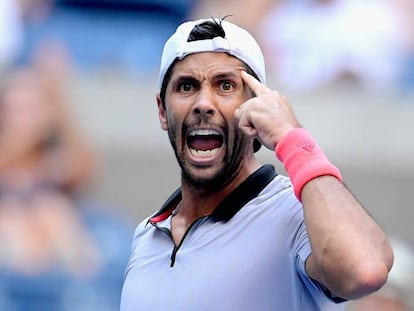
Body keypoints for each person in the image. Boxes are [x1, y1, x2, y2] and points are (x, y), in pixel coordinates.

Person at [120, 17, 393, 310]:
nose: (203, 104)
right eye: (186, 87)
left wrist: (293, 139)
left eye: (225, 85)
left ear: (256, 106)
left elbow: (364, 270)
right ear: (162, 111)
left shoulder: (295, 214)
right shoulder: (146, 236)